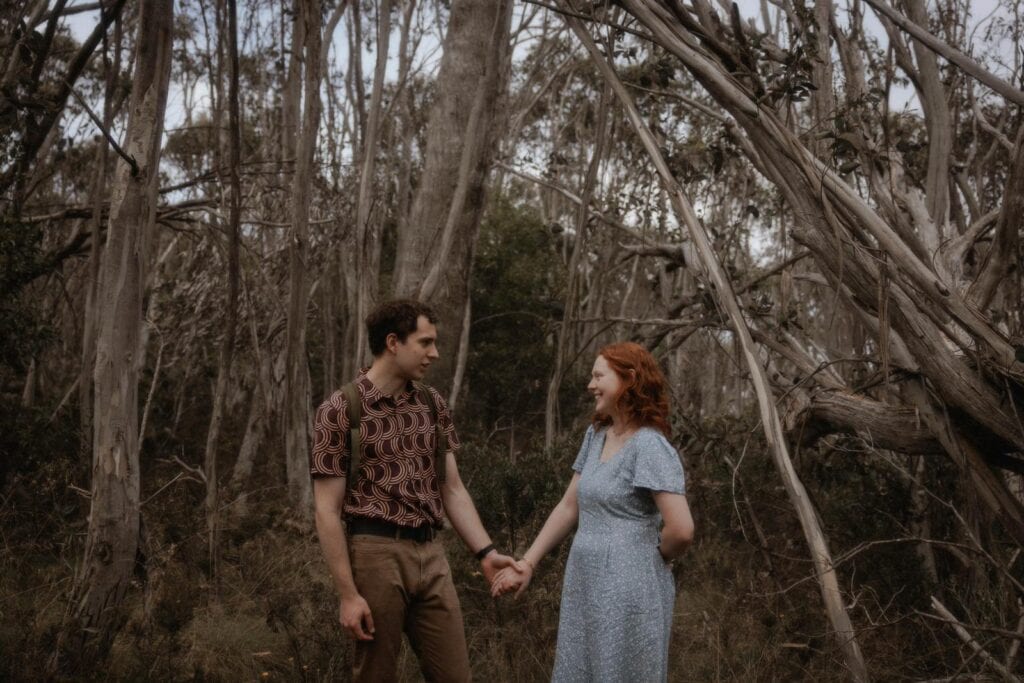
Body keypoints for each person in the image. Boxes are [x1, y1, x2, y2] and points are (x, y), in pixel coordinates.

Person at [311, 299, 515, 682]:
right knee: (375, 675)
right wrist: (348, 594)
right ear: (393, 343)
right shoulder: (340, 409)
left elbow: (451, 489)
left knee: (456, 676)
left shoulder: (431, 404)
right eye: (425, 342)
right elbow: (326, 510)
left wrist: (486, 553)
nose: (434, 354)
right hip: (375, 554)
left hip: (431, 554)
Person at [492, 342, 694, 682]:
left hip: (631, 586)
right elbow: (569, 506)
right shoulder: (597, 434)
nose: (591, 384)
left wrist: (647, 556)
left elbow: (682, 529)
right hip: (585, 582)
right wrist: (528, 562)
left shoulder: (649, 445)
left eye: (599, 375)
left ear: (629, 379)